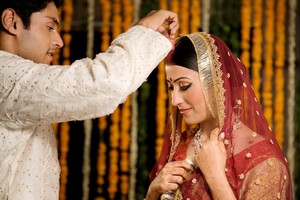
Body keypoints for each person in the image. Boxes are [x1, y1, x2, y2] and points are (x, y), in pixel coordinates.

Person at [0, 0, 179, 199]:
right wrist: (144, 30)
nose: (59, 41)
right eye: (49, 27)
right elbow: (104, 83)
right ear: (12, 22)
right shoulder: (5, 76)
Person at [146, 32, 293, 199]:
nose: (174, 100)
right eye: (171, 87)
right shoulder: (182, 144)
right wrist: (152, 192)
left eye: (184, 85)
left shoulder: (265, 163)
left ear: (216, 83)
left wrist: (215, 178)